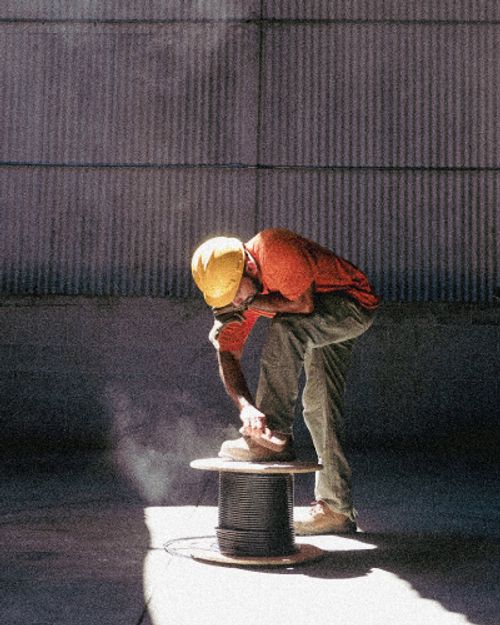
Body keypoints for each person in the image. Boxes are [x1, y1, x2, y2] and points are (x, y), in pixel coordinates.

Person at [191, 228, 379, 535]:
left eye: (237, 293)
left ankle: (272, 435)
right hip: (318, 317)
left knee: (286, 327)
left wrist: (253, 304)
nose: (237, 302)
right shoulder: (236, 291)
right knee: (320, 406)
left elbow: (303, 306)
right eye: (230, 299)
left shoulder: (275, 249)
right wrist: (246, 408)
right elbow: (229, 355)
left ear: (248, 266)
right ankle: (337, 510)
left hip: (352, 304)